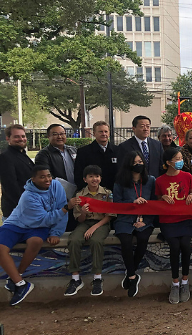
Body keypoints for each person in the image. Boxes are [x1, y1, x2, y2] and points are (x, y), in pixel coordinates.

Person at [0, 165, 69, 306]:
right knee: (1, 248)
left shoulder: (56, 186)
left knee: (36, 241)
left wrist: (56, 233)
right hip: (17, 223)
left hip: (38, 227)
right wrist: (66, 208)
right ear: (33, 179)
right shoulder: (28, 196)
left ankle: (15, 278)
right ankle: (21, 284)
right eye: (42, 177)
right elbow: (46, 219)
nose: (47, 179)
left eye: (48, 175)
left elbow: (61, 210)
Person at [64, 165, 114, 297]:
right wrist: (83, 213)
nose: (94, 179)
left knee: (96, 241)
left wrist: (94, 227)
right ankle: (75, 278)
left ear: (100, 178)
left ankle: (97, 278)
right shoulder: (80, 195)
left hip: (101, 223)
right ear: (85, 179)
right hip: (85, 223)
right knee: (74, 240)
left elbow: (109, 216)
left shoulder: (107, 193)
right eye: (91, 176)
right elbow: (79, 220)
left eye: (97, 176)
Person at [156, 148, 192, 304]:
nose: (180, 161)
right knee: (174, 246)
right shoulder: (159, 180)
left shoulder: (187, 176)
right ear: (168, 162)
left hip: (186, 219)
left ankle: (185, 281)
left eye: (181, 158)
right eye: (177, 159)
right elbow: (158, 198)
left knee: (185, 245)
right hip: (168, 220)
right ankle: (175, 283)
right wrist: (163, 197)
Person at [113, 151, 156, 298]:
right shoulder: (120, 182)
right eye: (135, 163)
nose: (138, 165)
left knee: (143, 238)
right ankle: (132, 276)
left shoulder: (151, 180)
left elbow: (155, 203)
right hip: (125, 219)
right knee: (125, 240)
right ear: (128, 165)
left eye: (140, 162)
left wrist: (145, 221)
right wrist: (132, 203)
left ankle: (130, 273)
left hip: (145, 219)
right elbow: (116, 204)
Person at [36, 124, 77, 231]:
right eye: (55, 134)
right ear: (48, 137)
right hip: (58, 197)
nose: (60, 137)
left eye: (62, 134)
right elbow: (47, 178)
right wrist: (71, 191)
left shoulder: (73, 150)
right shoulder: (44, 154)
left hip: (77, 196)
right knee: (61, 226)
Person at [73, 121, 119, 190]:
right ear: (94, 133)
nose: (104, 134)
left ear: (109, 133)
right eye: (100, 132)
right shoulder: (83, 152)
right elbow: (78, 175)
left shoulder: (117, 150)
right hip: (92, 194)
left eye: (106, 131)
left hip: (114, 192)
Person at [0, 124, 34, 218]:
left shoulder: (23, 155)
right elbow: (10, 187)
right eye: (16, 137)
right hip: (16, 211)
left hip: (29, 207)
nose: (21, 139)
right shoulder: (5, 157)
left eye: (23, 136)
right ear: (8, 139)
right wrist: (25, 206)